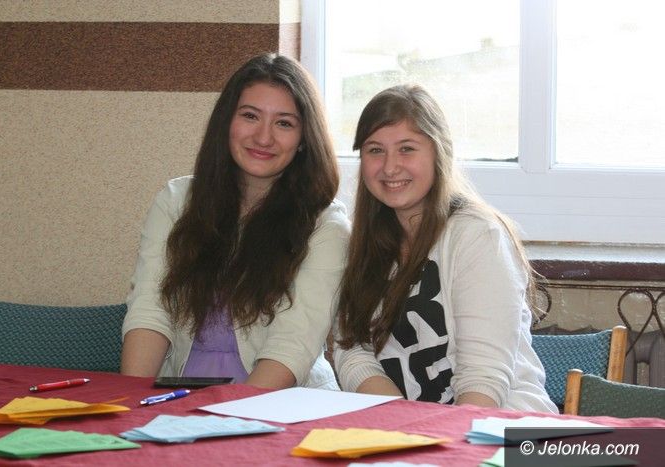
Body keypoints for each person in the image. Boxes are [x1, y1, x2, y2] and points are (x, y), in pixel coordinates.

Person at [121, 53, 349, 390]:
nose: (263, 137)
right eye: (250, 116)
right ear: (226, 121)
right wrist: (132, 401)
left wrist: (230, 418)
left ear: (304, 139)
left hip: (280, 403)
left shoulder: (326, 225)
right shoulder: (175, 202)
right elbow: (150, 310)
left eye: (284, 123)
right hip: (177, 396)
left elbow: (292, 346)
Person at [334, 84, 557, 412]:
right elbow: (353, 352)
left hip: (498, 427)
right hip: (411, 431)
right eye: (375, 150)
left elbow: (483, 379)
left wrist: (435, 437)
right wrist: (403, 426)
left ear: (440, 153)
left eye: (407, 149)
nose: (390, 167)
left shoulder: (477, 235)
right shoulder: (361, 242)